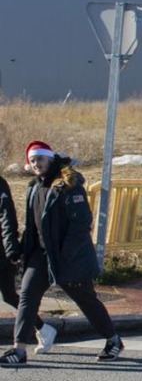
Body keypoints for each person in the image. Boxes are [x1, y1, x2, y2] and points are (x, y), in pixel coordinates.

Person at [1, 142, 124, 366]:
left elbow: (82, 223)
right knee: (27, 298)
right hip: (39, 255)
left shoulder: (68, 184)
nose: (36, 164)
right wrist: (19, 249)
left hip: (68, 257)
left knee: (85, 300)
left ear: (50, 159)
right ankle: (19, 351)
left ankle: (113, 340)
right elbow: (32, 226)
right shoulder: (33, 187)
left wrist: (65, 254)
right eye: (32, 160)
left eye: (40, 159)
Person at [0, 173, 57, 355]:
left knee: (9, 295)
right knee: (10, 296)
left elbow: (7, 216)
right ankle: (43, 328)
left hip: (1, 251)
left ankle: (42, 328)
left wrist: (11, 248)